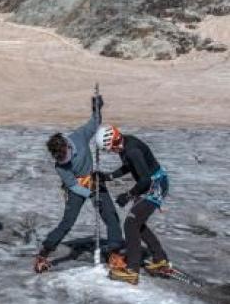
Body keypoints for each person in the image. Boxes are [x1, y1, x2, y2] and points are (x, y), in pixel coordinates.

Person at [35, 96, 125, 273]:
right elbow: (72, 185)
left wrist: (96, 108)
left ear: (68, 146)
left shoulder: (78, 137)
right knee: (68, 222)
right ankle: (44, 252)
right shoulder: (60, 166)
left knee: (111, 216)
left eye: (64, 156)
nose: (63, 161)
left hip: (94, 179)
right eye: (59, 159)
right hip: (77, 188)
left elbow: (95, 123)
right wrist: (90, 193)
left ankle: (115, 253)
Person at [95, 125, 171, 285]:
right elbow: (128, 166)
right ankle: (160, 259)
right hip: (151, 184)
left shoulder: (132, 150)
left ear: (114, 142)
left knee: (130, 223)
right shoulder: (125, 145)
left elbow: (145, 180)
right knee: (137, 223)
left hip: (155, 185)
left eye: (109, 149)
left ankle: (132, 270)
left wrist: (129, 195)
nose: (111, 152)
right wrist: (108, 176)